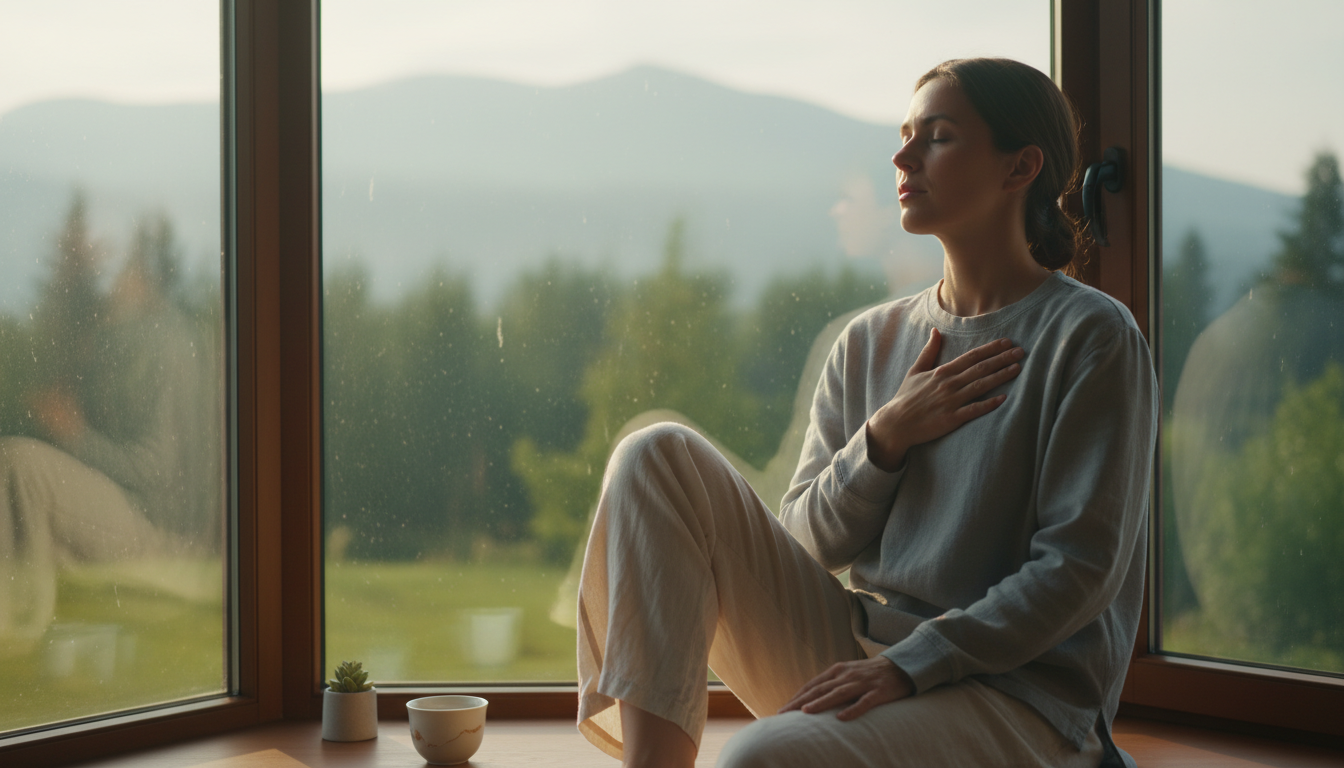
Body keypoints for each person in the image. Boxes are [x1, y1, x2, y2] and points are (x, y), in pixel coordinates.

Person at [573, 57, 1158, 768]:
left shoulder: (1092, 338)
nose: (902, 156)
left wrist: (914, 664)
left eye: (937, 137)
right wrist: (884, 439)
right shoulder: (868, 343)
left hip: (1017, 698)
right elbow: (805, 544)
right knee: (654, 453)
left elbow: (1077, 569)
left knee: (760, 759)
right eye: (906, 133)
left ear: (1019, 168)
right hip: (860, 647)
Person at [0, 220, 216, 648]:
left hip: (161, 533)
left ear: (144, 280)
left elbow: (157, 470)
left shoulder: (167, 348)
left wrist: (75, 435)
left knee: (21, 463)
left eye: (119, 270)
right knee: (20, 482)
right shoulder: (129, 342)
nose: (109, 282)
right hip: (134, 512)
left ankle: (17, 630)